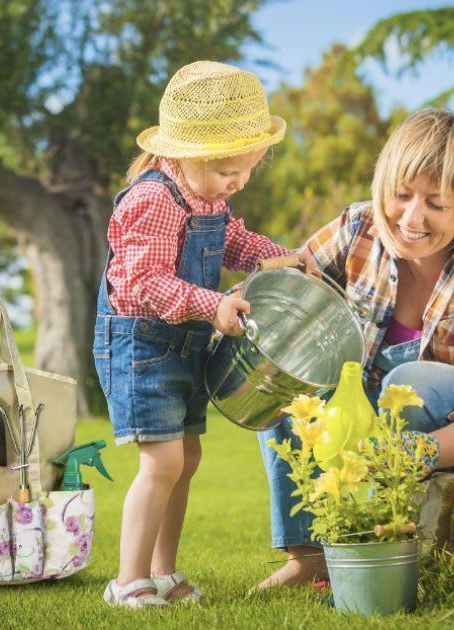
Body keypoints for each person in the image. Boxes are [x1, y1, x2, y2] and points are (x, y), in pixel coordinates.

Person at [94, 61, 291, 607]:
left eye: (246, 171)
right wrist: (214, 304)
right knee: (162, 463)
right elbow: (144, 282)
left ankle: (162, 573)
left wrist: (283, 258)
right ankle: (127, 580)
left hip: (183, 343)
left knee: (188, 457)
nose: (239, 182)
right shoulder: (152, 200)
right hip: (142, 346)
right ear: (186, 156)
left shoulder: (209, 196)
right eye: (229, 171)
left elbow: (233, 241)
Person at [257, 109, 454, 590]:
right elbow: (288, 294)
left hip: (435, 428)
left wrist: (413, 452)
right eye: (401, 195)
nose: (411, 218)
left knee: (409, 382)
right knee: (289, 380)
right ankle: (310, 557)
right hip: (361, 414)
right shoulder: (359, 227)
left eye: (437, 203)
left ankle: (411, 544)